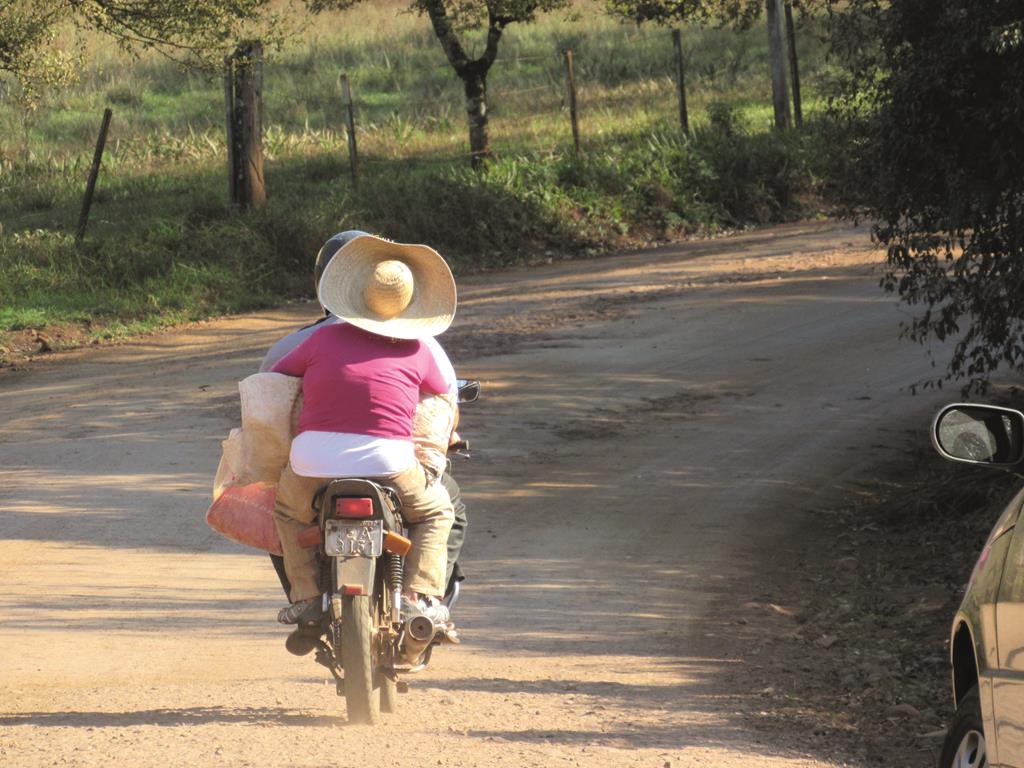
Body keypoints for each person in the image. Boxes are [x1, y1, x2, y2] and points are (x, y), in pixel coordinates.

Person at [258, 231, 468, 601]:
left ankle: (305, 597)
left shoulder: (314, 341)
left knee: (286, 515)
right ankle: (419, 599)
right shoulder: (421, 348)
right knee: (438, 513)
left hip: (311, 463)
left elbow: (272, 385)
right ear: (410, 301)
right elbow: (443, 399)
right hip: (390, 462)